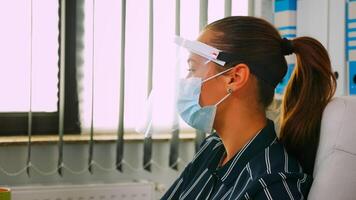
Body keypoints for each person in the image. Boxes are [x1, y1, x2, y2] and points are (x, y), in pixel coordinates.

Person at [161, 16, 336, 200]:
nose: (186, 82)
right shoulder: (212, 148)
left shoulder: (273, 185)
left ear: (235, 77)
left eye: (192, 69)